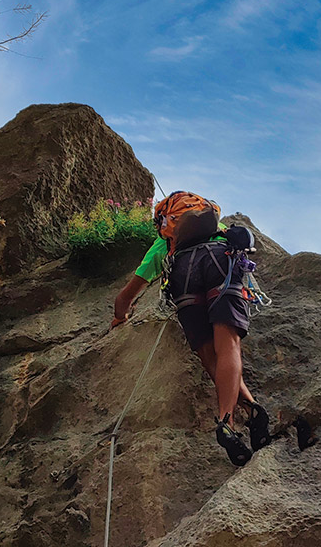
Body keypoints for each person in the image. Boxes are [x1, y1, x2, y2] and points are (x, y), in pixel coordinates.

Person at [112, 192, 270, 467]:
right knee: (228, 345)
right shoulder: (219, 232)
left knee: (209, 353)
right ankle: (228, 420)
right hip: (222, 261)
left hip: (182, 272)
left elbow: (125, 297)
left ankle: (244, 414)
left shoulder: (164, 244)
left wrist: (120, 317)